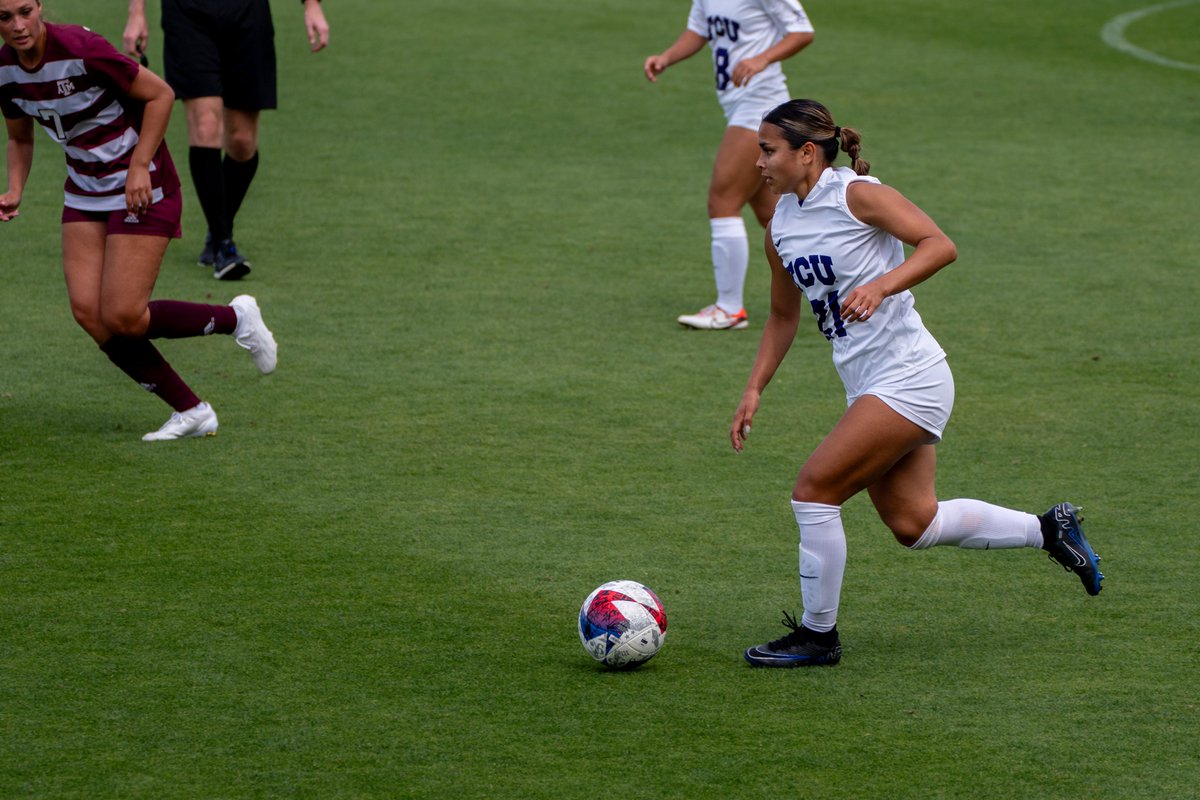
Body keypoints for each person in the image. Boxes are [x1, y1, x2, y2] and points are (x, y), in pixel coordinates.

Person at [729, 99, 1104, 667]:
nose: (757, 161)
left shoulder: (858, 195)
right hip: (869, 384)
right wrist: (755, 387)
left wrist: (881, 286)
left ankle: (818, 635)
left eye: (767, 149)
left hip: (910, 377)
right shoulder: (780, 223)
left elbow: (939, 244)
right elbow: (783, 317)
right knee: (914, 522)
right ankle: (1049, 529)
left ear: (807, 153)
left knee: (814, 492)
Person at [1, 0, 276, 441]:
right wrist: (16, 188)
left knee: (125, 315)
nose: (17, 26)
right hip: (85, 193)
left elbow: (161, 94)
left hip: (143, 187)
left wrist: (138, 165)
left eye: (24, 11)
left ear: (40, 7)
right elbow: (19, 136)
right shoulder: (5, 71)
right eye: (3, 17)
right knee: (90, 313)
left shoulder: (82, 48)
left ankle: (236, 318)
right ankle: (191, 409)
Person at [122, 0, 330, 280]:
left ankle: (220, 226)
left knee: (243, 141)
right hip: (187, 15)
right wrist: (137, 12)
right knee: (206, 126)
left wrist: (312, 5)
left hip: (247, 13)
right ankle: (224, 246)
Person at [644, 0, 814, 330]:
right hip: (739, 107)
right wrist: (667, 57)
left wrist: (762, 58)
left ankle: (730, 308)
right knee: (775, 216)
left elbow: (802, 32)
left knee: (722, 200)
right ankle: (837, 279)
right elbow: (699, 30)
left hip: (761, 107)